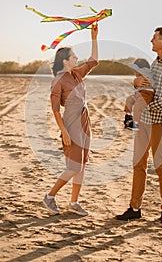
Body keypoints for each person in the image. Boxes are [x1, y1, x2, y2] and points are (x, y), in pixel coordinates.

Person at [116, 27, 162, 223]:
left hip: (158, 121)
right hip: (144, 121)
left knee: (160, 165)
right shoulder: (154, 64)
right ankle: (134, 208)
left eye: (154, 38)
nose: (151, 40)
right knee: (138, 164)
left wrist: (144, 105)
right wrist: (135, 83)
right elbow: (146, 87)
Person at [43, 25, 99, 216]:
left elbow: (94, 61)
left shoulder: (76, 74)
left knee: (81, 165)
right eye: (73, 56)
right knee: (74, 166)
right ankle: (49, 197)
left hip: (84, 120)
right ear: (65, 61)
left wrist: (94, 37)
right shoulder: (58, 80)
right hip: (71, 123)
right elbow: (55, 110)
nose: (77, 58)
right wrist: (64, 132)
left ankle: (74, 202)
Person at [123, 58, 154, 131]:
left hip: (146, 95)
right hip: (138, 94)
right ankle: (128, 115)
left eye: (135, 71)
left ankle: (136, 123)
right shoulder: (139, 78)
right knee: (129, 99)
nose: (134, 74)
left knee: (138, 106)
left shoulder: (147, 73)